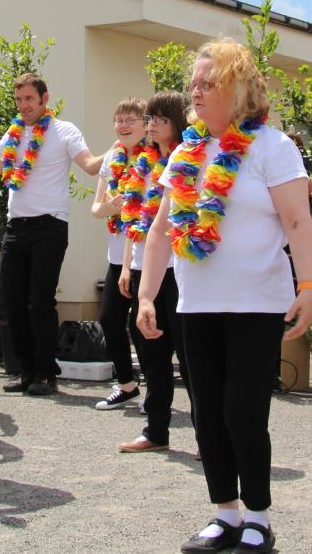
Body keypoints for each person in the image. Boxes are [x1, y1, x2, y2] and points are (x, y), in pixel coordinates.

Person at [137, 39, 312, 553]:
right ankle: (225, 514)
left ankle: (259, 518)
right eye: (192, 83)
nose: (194, 92)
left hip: (257, 304)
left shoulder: (272, 146)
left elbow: (297, 221)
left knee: (242, 411)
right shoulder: (186, 150)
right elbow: (158, 231)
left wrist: (309, 285)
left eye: (207, 83)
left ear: (237, 89)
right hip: (196, 304)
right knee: (207, 413)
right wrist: (148, 295)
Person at [0, 73, 104, 396]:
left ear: (44, 99)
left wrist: (122, 148)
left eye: (29, 99)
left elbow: (90, 165)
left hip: (50, 225)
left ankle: (45, 373)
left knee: (40, 301)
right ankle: (25, 371)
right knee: (14, 301)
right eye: (19, 100)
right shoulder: (11, 133)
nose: (23, 106)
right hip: (16, 226)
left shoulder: (64, 131)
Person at [117, 90, 188, 453]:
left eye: (160, 119)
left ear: (177, 121)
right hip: (147, 268)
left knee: (190, 358)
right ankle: (156, 430)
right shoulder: (142, 162)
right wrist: (129, 265)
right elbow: (134, 217)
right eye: (150, 119)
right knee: (151, 352)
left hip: (179, 269)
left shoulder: (187, 156)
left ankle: (209, 434)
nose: (153, 125)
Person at [89, 96, 149, 410]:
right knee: (109, 320)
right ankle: (127, 384)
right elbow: (96, 208)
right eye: (119, 120)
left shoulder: (152, 157)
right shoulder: (113, 156)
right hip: (117, 256)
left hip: (144, 256)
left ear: (145, 125)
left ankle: (156, 387)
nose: (123, 126)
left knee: (142, 325)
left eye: (131, 120)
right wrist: (111, 207)